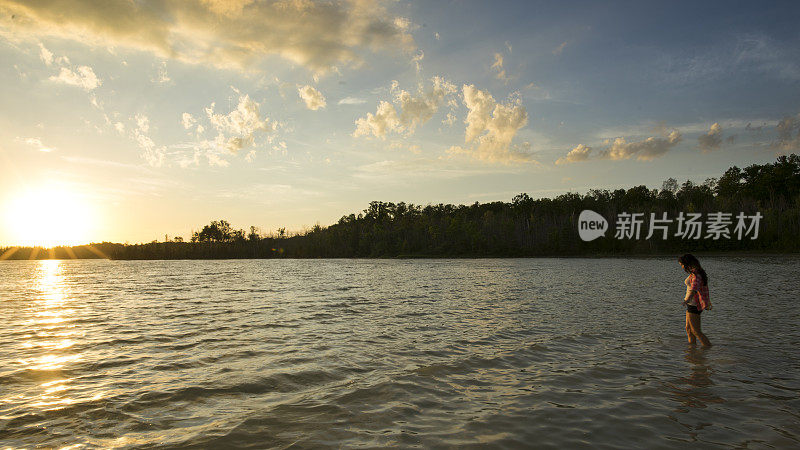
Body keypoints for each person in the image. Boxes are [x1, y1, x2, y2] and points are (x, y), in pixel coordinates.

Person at [678, 254, 712, 347]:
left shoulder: (697, 274)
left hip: (694, 304)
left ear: (686, 264)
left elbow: (694, 289)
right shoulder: (694, 272)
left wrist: (687, 300)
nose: (681, 266)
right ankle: (692, 350)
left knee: (696, 331)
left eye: (681, 264)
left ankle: (708, 348)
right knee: (688, 329)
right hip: (691, 304)